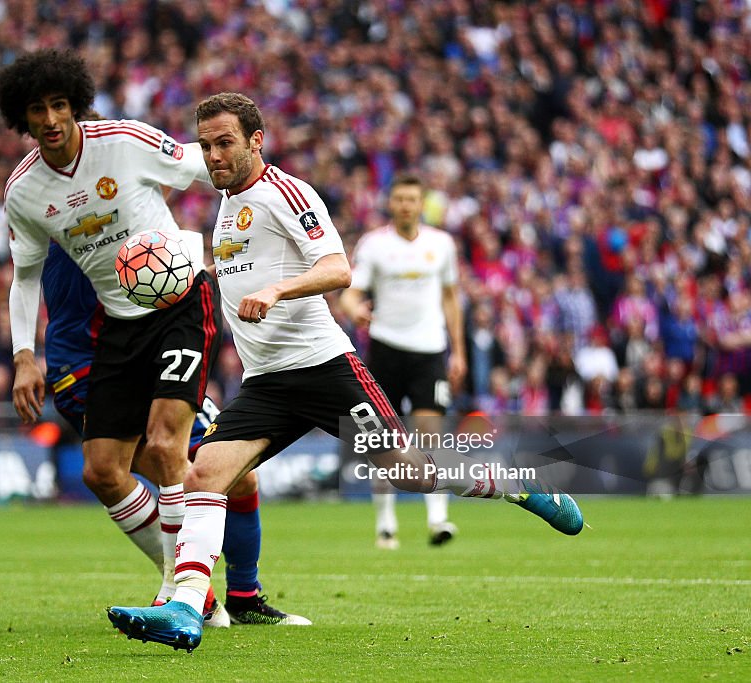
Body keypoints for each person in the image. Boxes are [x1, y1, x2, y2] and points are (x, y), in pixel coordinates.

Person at [107, 92, 584, 652]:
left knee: (409, 472)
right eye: (206, 145)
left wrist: (278, 289)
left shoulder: (285, 191)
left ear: (256, 141)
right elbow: (251, 267)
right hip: (266, 383)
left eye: (225, 143)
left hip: (324, 369)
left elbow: (338, 268)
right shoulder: (228, 201)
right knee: (203, 475)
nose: (212, 155)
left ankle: (512, 482)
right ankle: (187, 609)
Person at [0, 48, 217, 616]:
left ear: (76, 106)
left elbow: (205, 166)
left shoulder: (124, 141)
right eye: (37, 110)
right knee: (100, 470)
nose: (50, 119)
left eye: (59, 105)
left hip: (178, 304)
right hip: (119, 323)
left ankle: (187, 596)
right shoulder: (23, 192)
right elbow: (23, 278)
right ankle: (187, 585)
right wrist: (25, 355)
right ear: (22, 119)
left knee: (168, 446)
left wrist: (253, 222)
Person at [42, 239, 307, 625]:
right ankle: (192, 592)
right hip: (95, 365)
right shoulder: (50, 210)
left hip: (152, 352)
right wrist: (22, 353)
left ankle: (243, 598)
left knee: (240, 478)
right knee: (138, 467)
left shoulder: (135, 215)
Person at [339, 175, 466, 549]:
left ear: (421, 204)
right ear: (391, 204)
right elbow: (352, 292)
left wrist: (457, 350)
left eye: (413, 199)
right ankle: (386, 524)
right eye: (400, 199)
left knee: (430, 432)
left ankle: (438, 518)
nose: (406, 205)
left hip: (429, 349)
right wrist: (354, 310)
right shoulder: (375, 245)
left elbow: (451, 298)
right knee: (385, 439)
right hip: (386, 348)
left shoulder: (441, 245)